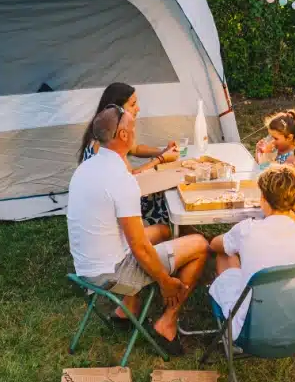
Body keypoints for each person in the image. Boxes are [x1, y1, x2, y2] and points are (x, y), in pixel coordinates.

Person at [68, 106, 208, 355]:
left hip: (85, 267)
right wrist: (165, 282)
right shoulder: (121, 180)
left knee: (165, 231)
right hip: (112, 273)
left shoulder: (85, 169)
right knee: (199, 244)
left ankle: (127, 309)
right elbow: (139, 247)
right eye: (133, 128)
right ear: (123, 135)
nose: (135, 132)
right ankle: (167, 322)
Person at [208, 165, 295, 341]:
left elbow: (215, 245)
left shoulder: (247, 229)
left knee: (225, 253)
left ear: (262, 198)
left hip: (252, 330)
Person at [78, 82, 177, 232]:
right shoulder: (105, 144)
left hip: (114, 200)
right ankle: (164, 229)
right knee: (166, 185)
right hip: (113, 212)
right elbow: (131, 179)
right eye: (133, 104)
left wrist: (162, 151)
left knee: (166, 181)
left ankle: (177, 229)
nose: (138, 108)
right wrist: (161, 159)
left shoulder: (107, 130)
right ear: (117, 109)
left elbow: (135, 148)